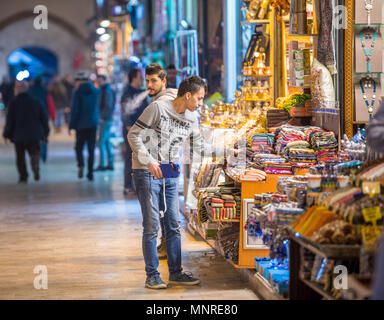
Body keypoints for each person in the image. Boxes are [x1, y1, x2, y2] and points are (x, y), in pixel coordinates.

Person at [128, 75, 228, 289]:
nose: (201, 103)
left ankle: (176, 273)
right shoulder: (158, 108)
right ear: (188, 95)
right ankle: (152, 275)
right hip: (146, 172)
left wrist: (230, 151)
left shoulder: (192, 118)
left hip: (170, 172)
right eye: (199, 99)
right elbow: (133, 135)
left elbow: (201, 148)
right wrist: (149, 161)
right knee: (152, 225)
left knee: (173, 223)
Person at [3, 80, 49, 183]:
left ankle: (23, 176)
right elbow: (43, 117)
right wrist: (46, 131)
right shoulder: (35, 101)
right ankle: (35, 164)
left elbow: (10, 120)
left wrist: (6, 134)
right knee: (34, 152)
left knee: (20, 157)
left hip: (18, 135)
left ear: (18, 89)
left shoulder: (14, 103)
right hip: (34, 133)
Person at [121, 68, 149, 195]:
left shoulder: (141, 93)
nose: (142, 80)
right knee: (130, 157)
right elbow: (125, 114)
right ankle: (128, 185)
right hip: (132, 131)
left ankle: (139, 185)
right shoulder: (128, 94)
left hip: (141, 130)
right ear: (134, 78)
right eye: (140, 77)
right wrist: (130, 130)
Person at [69, 71, 100, 181]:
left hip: (81, 125)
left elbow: (75, 110)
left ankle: (81, 164)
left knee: (78, 147)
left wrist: (71, 125)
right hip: (93, 123)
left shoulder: (77, 93)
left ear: (80, 81)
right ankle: (90, 173)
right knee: (91, 150)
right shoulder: (96, 91)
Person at [28, 78, 55, 163]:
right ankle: (43, 156)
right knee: (44, 135)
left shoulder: (29, 91)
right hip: (44, 116)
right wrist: (53, 117)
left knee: (34, 136)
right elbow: (50, 104)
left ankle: (36, 155)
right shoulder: (45, 91)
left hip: (32, 117)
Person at [95, 75, 116, 171]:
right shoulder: (105, 89)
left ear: (104, 80)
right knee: (106, 141)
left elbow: (108, 105)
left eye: (100, 81)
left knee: (102, 142)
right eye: (97, 81)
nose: (98, 83)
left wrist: (101, 117)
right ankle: (110, 163)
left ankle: (102, 164)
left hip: (106, 119)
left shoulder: (106, 90)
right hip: (107, 118)